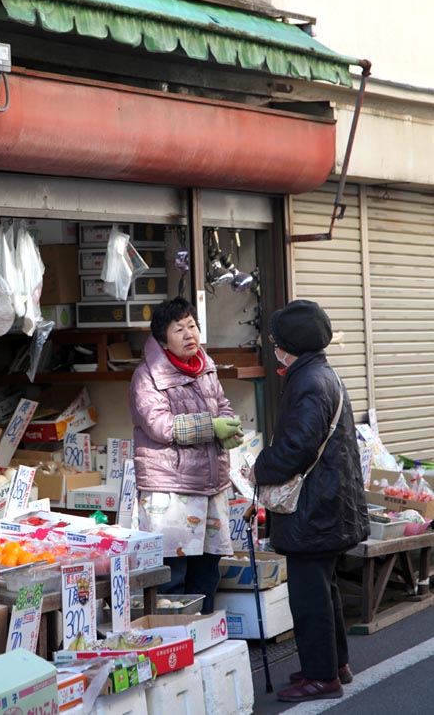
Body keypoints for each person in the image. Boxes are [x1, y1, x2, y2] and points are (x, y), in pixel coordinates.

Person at [251, 299, 369, 703]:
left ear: (292, 343)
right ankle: (334, 664)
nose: (274, 346)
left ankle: (323, 676)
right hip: (331, 504)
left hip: (315, 508)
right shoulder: (321, 374)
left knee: (309, 596)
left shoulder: (307, 382)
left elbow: (296, 448)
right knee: (325, 588)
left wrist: (258, 466)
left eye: (277, 340)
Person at [130, 296, 244, 614]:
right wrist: (212, 427)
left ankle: (205, 639)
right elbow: (160, 426)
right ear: (162, 339)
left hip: (210, 486)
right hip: (171, 492)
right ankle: (176, 644)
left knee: (208, 569)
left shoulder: (205, 367)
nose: (189, 334)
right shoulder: (146, 377)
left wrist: (230, 428)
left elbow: (221, 404)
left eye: (192, 325)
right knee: (172, 577)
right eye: (178, 329)